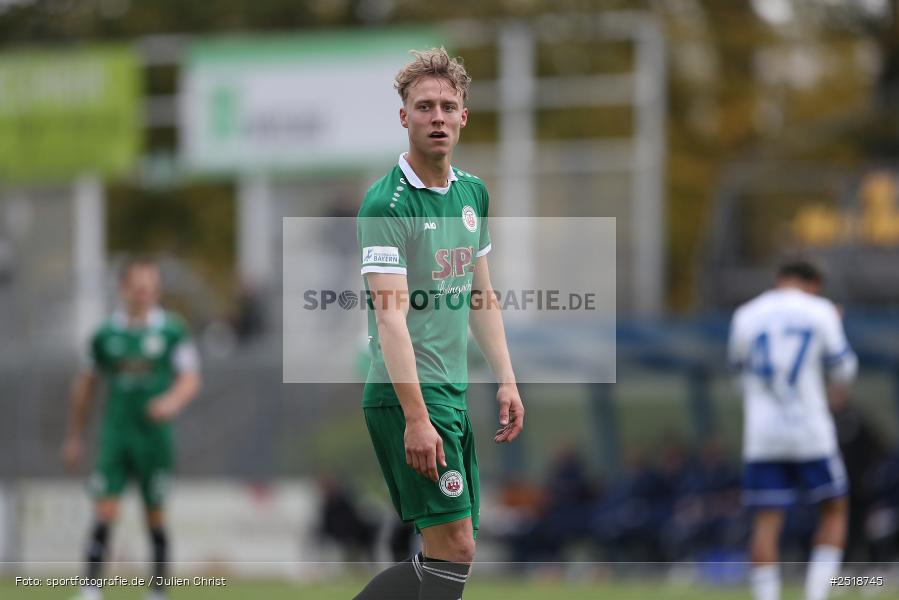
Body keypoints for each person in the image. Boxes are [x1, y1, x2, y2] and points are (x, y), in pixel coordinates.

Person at [353, 48, 524, 599]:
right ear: (404, 117)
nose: (438, 117)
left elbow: (481, 294)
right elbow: (391, 320)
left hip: (450, 393)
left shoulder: (472, 192)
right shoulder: (388, 204)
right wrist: (416, 417)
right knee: (457, 546)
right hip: (408, 396)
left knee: (451, 551)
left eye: (448, 106)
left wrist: (506, 378)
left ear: (464, 116)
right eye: (424, 106)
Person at [62, 258, 202, 600]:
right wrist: (75, 436)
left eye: (151, 288)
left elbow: (190, 379)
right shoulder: (104, 336)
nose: (144, 294)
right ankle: (91, 587)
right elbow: (84, 387)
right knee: (105, 509)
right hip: (117, 435)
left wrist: (171, 402)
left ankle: (157, 590)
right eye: (138, 287)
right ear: (123, 288)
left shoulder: (172, 331)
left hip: (154, 439)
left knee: (154, 512)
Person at [728, 259, 857, 600]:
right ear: (813, 284)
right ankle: (815, 595)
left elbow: (739, 379)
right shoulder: (821, 311)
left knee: (766, 522)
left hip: (763, 434)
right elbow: (844, 369)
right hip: (810, 429)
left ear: (778, 280)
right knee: (834, 507)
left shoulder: (745, 315)